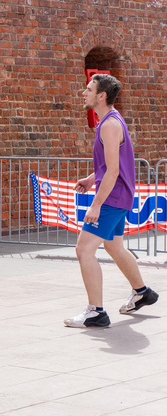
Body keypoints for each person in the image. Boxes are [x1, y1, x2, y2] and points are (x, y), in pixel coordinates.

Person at [65, 73, 158, 327]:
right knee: (114, 247)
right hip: (120, 195)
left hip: (112, 197)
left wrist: (96, 204)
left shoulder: (109, 125)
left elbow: (114, 171)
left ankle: (95, 312)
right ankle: (142, 292)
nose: (84, 93)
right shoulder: (110, 121)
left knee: (84, 249)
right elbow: (109, 165)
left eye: (88, 89)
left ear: (101, 95)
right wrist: (90, 178)